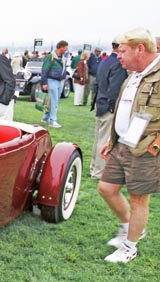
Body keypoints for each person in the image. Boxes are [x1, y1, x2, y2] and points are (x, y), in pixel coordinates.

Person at [97, 27, 160, 263]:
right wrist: (112, 140)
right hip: (122, 143)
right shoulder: (133, 73)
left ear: (140, 48)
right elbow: (123, 109)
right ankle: (130, 227)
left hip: (145, 148)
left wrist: (156, 145)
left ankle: (129, 247)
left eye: (123, 51)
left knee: (138, 199)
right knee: (106, 188)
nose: (118, 56)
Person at [90, 40, 128, 179]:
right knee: (104, 140)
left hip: (100, 103)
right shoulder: (117, 64)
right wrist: (113, 107)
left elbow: (96, 84)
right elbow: (114, 88)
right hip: (108, 105)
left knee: (98, 138)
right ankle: (99, 172)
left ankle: (94, 167)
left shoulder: (104, 61)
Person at [40, 40, 69, 128]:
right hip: (52, 80)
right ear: (61, 47)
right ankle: (52, 120)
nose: (66, 50)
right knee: (54, 101)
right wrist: (44, 82)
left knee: (53, 100)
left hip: (60, 81)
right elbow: (44, 70)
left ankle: (46, 117)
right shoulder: (50, 56)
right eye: (65, 48)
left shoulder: (63, 57)